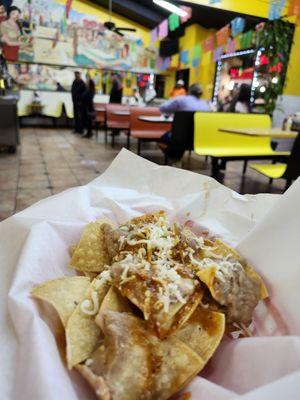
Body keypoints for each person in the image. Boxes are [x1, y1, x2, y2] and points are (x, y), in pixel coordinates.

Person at [159, 83, 211, 155]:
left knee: (164, 138)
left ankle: (174, 158)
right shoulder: (206, 105)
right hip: (200, 140)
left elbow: (162, 108)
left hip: (179, 139)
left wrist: (173, 111)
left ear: (189, 91)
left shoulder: (180, 100)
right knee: (182, 135)